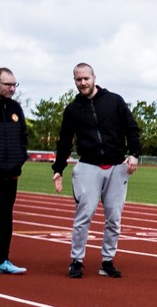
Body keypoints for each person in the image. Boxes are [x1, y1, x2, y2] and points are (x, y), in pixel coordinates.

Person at [52, 63, 141, 279]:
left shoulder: (114, 101)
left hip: (117, 167)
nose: (82, 83)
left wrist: (135, 154)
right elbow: (64, 141)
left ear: (94, 78)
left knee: (114, 217)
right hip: (88, 166)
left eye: (86, 78)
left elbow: (131, 128)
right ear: (74, 80)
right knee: (84, 215)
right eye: (78, 79)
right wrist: (59, 169)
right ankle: (77, 261)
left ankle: (107, 261)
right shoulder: (72, 110)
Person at [0, 68, 28, 275]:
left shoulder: (16, 107)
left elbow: (23, 136)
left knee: (6, 217)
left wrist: (19, 160)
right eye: (8, 84)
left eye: (15, 84)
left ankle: (2, 261)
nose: (12, 88)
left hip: (10, 173)